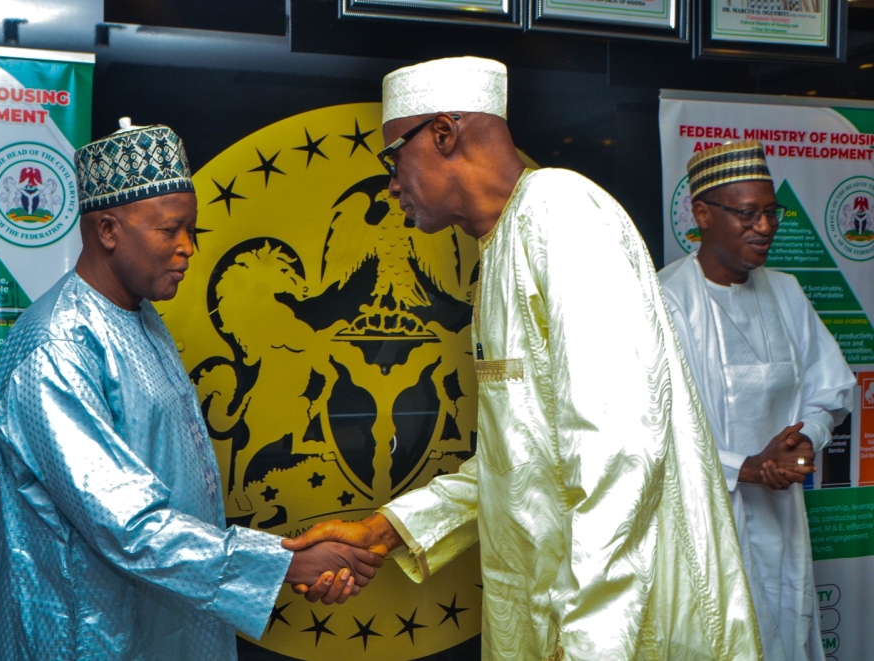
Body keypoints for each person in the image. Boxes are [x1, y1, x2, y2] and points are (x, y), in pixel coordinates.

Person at [286, 57, 762, 660]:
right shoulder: (501, 246)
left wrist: (592, 643)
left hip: (618, 632)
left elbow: (617, 454)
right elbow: (517, 465)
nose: (391, 185)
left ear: (442, 133)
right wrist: (383, 532)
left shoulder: (561, 215)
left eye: (392, 159)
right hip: (548, 615)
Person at [0, 120, 383, 660]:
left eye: (191, 230)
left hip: (168, 621)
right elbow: (128, 527)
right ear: (107, 230)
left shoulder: (141, 316)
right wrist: (285, 562)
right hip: (91, 637)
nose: (188, 249)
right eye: (170, 230)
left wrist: (288, 558)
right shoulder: (57, 346)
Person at [659, 140, 855, 661]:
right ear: (702, 213)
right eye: (748, 214)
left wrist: (803, 441)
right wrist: (742, 467)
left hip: (782, 517)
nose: (765, 228)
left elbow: (831, 390)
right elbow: (649, 425)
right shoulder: (665, 301)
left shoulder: (787, 292)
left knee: (783, 636)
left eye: (772, 212)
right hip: (704, 522)